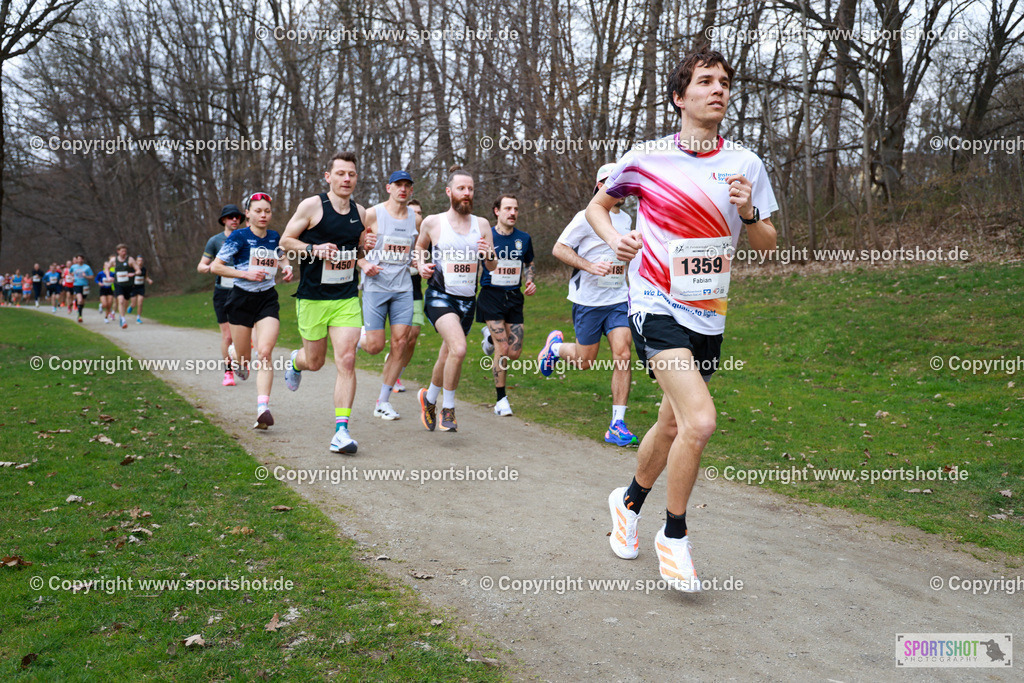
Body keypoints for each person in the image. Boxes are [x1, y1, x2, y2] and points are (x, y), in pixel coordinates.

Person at [591, 49, 778, 592]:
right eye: (705, 81)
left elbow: (767, 244)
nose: (718, 89)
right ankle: (673, 534)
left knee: (672, 424)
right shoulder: (646, 159)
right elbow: (598, 208)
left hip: (709, 314)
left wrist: (747, 213)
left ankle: (627, 502)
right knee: (699, 421)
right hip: (654, 304)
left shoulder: (746, 164)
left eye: (724, 82)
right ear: (680, 96)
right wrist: (616, 239)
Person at [279, 152, 374, 454]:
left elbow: (357, 254)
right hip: (312, 298)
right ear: (328, 177)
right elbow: (284, 241)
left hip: (346, 297)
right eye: (341, 173)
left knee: (346, 359)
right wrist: (314, 248)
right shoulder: (312, 206)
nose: (347, 179)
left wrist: (365, 247)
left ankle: (341, 431)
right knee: (316, 362)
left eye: (352, 174)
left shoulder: (361, 212)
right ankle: (296, 361)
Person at [540, 163, 639, 446]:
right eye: (609, 182)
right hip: (589, 302)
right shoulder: (585, 217)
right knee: (585, 361)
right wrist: (589, 266)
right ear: (599, 187)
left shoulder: (627, 219)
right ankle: (555, 348)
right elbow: (559, 248)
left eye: (618, 181)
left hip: (618, 299)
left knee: (623, 353)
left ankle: (617, 423)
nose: (616, 186)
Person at [415, 167, 498, 432]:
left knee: (447, 353)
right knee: (459, 349)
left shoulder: (482, 225)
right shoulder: (433, 222)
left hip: (467, 300)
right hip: (440, 296)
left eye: (471, 189)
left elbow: (493, 265)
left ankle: (428, 399)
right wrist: (421, 265)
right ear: (449, 192)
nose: (467, 194)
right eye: (461, 189)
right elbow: (419, 248)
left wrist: (487, 254)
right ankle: (447, 409)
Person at [210, 192, 293, 429]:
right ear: (248, 214)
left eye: (267, 211)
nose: (263, 215)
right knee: (245, 359)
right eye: (258, 211)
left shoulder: (274, 236)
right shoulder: (238, 237)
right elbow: (217, 266)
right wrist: (245, 273)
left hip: (267, 299)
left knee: (265, 353)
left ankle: (262, 409)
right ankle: (237, 355)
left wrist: (286, 268)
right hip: (240, 300)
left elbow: (281, 256)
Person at [356, 171, 421, 420]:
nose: (402, 189)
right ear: (388, 188)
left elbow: (414, 250)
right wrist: (364, 255)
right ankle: (360, 336)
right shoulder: (373, 213)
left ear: (411, 190)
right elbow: (354, 246)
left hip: (403, 287)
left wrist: (421, 263)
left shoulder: (414, 217)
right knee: (374, 346)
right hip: (375, 285)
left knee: (400, 342)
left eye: (407, 185)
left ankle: (383, 401)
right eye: (398, 185)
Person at [477, 194, 535, 416]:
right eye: (508, 208)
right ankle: (501, 400)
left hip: (514, 297)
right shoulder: (487, 235)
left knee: (514, 352)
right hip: (491, 296)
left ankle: (489, 336)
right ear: (497, 211)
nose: (513, 213)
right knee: (502, 349)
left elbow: (529, 263)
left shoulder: (524, 238)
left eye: (516, 209)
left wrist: (529, 280)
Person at [198, 204, 246, 386]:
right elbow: (201, 265)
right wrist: (213, 268)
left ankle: (241, 358)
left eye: (237, 217)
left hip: (243, 292)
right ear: (224, 220)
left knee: (243, 334)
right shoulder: (215, 241)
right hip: (222, 293)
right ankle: (228, 372)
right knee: (227, 336)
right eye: (230, 217)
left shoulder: (246, 238)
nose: (235, 219)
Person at [389, 199, 426, 394]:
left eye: (419, 213)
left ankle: (398, 372)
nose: (416, 216)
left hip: (415, 291)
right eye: (413, 212)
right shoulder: (396, 234)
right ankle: (392, 374)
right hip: (394, 290)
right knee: (401, 337)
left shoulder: (426, 238)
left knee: (413, 336)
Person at [112, 246, 140, 329]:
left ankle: (122, 315)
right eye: (122, 251)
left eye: (125, 251)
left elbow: (138, 270)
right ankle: (123, 319)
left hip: (128, 285)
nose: (124, 253)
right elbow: (107, 267)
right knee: (120, 301)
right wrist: (107, 275)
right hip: (118, 284)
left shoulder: (130, 259)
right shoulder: (114, 260)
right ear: (118, 251)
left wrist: (134, 274)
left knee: (125, 302)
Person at [69, 255, 95, 323]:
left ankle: (79, 311)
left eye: (81, 259)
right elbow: (70, 273)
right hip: (77, 285)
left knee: (82, 301)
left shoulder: (87, 267)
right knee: (80, 300)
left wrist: (86, 276)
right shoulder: (73, 266)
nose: (80, 260)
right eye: (78, 259)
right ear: (76, 260)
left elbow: (92, 277)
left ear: (83, 260)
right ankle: (80, 316)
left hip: (85, 286)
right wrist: (72, 277)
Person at [130, 257, 154, 323]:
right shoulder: (132, 269)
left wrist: (149, 280)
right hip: (133, 288)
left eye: (141, 260)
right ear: (136, 261)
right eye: (138, 260)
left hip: (141, 288)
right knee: (134, 304)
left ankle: (138, 318)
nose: (140, 262)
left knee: (140, 303)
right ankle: (131, 306)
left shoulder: (144, 269)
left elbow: (146, 277)